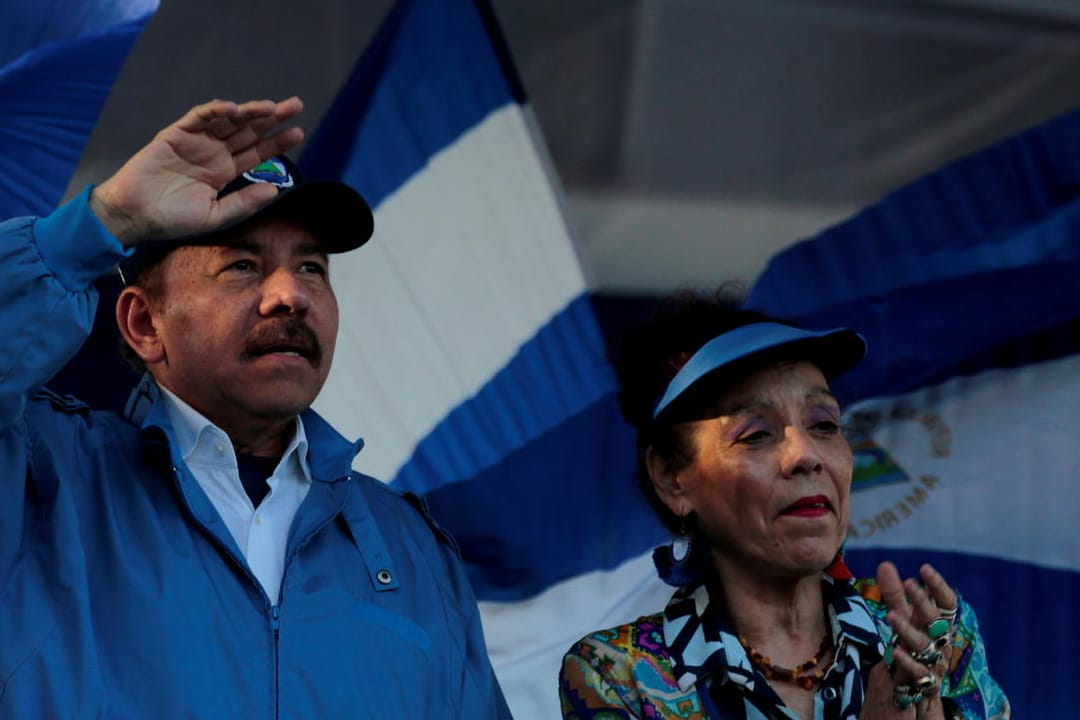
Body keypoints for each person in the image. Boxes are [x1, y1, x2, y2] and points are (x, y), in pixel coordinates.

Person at [0, 97, 512, 718]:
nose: (290, 295)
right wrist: (101, 220)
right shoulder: (38, 474)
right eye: (242, 265)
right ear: (144, 322)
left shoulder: (412, 547)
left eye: (313, 269)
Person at [558, 290, 1009, 719]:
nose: (805, 455)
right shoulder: (618, 674)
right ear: (672, 479)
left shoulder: (928, 635)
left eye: (825, 425)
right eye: (756, 434)